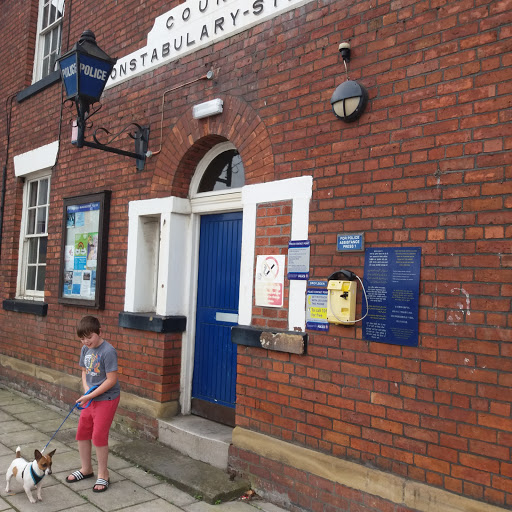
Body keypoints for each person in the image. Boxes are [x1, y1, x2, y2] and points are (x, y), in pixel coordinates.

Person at [65, 315, 120, 493]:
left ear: (99, 332)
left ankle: (103, 474)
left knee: (98, 436)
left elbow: (111, 380)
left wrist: (90, 395)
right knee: (82, 433)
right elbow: (84, 370)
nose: (86, 341)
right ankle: (86, 469)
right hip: (91, 397)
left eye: (89, 337)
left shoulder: (108, 351)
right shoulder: (85, 349)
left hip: (107, 399)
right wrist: (86, 388)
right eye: (82, 338)